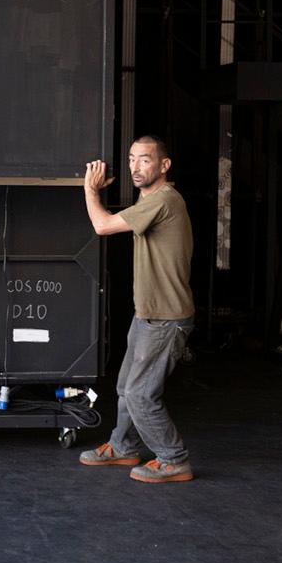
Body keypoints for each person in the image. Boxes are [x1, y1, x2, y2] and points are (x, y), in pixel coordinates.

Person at [78, 135, 196, 484]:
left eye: (145, 159)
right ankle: (123, 446)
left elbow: (102, 226)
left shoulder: (164, 200)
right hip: (147, 314)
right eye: (131, 159)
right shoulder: (150, 201)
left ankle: (174, 459)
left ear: (164, 165)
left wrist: (90, 189)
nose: (135, 167)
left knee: (141, 394)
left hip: (166, 318)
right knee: (126, 387)